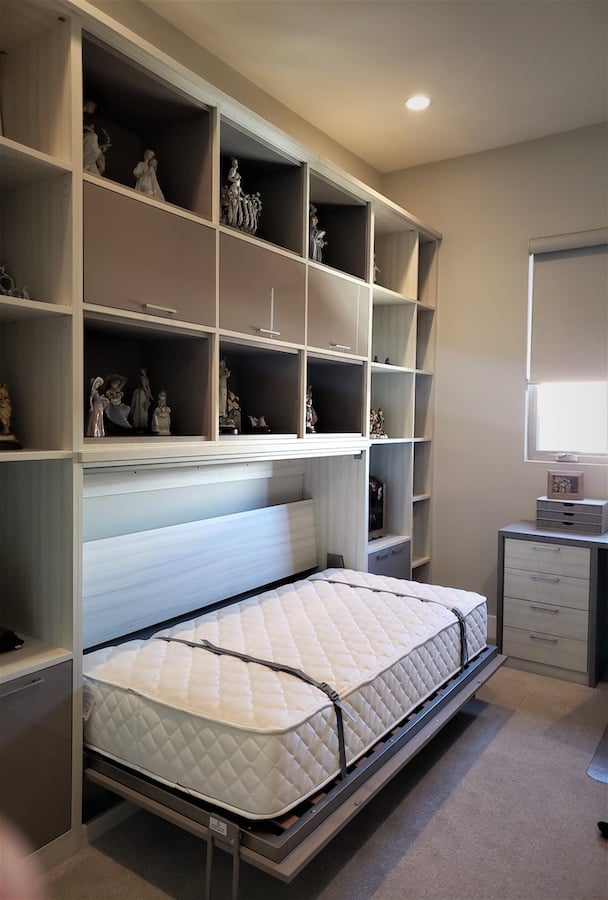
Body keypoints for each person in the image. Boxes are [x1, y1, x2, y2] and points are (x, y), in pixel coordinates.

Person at [82, 100, 110, 176]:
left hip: (90, 159)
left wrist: (102, 147)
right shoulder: (81, 114)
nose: (93, 109)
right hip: (83, 151)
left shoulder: (91, 118)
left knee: (97, 177)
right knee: (93, 137)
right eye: (92, 107)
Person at [130, 367, 152, 431]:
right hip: (140, 393)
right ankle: (138, 424)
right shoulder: (142, 378)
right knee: (139, 408)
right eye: (141, 371)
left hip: (143, 394)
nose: (142, 372)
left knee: (143, 409)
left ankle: (143, 424)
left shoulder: (146, 378)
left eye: (143, 370)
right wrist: (148, 394)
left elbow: (148, 388)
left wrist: (149, 395)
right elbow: (144, 387)